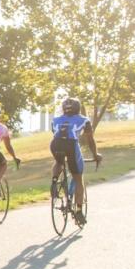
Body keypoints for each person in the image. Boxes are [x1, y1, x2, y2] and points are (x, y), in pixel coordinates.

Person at [49, 96, 100, 224]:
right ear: (78, 108)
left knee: (59, 162)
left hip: (55, 144)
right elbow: (90, 140)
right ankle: (78, 211)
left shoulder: (55, 120)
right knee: (78, 178)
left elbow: (55, 133)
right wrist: (95, 154)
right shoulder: (84, 120)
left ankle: (54, 182)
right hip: (71, 145)